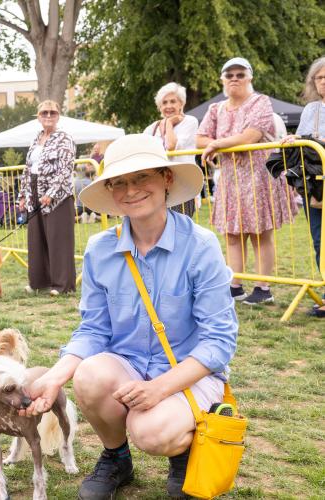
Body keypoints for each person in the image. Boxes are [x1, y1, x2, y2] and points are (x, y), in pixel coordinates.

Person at [22, 134, 239, 500]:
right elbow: (94, 329)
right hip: (129, 366)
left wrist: (159, 389)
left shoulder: (200, 245)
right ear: (109, 191)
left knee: (149, 430)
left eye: (142, 177)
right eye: (119, 182)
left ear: (166, 179)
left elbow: (219, 341)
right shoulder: (100, 249)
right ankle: (116, 458)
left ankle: (184, 450)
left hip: (188, 371)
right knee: (88, 375)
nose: (131, 190)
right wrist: (55, 378)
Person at [197, 57, 297, 305]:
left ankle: (263, 288)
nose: (234, 79)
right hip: (230, 179)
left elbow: (250, 136)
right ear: (222, 79)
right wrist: (217, 144)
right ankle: (235, 284)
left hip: (259, 176)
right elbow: (199, 138)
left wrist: (217, 144)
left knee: (260, 233)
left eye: (240, 74)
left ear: (249, 77)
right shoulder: (216, 109)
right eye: (229, 75)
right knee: (233, 234)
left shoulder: (260, 102)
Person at [17, 100, 77, 296]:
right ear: (38, 116)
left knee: (58, 239)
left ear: (58, 115)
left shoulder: (65, 138)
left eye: (52, 112)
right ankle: (38, 282)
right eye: (44, 113)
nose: (48, 116)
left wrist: (51, 193)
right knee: (36, 238)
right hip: (34, 191)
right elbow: (28, 169)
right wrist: (23, 196)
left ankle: (62, 285)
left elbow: (65, 169)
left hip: (58, 196)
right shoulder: (36, 138)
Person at [283, 56, 325, 317]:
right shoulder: (311, 110)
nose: (324, 82)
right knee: (320, 239)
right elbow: (304, 142)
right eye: (320, 78)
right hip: (316, 185)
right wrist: (294, 140)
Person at [143, 82, 199, 216]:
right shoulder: (152, 128)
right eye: (164, 102)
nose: (168, 106)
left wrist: (169, 123)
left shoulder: (190, 121)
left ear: (181, 104)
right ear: (159, 107)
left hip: (182, 186)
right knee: (158, 224)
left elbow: (171, 146)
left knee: (180, 225)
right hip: (158, 185)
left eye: (173, 101)